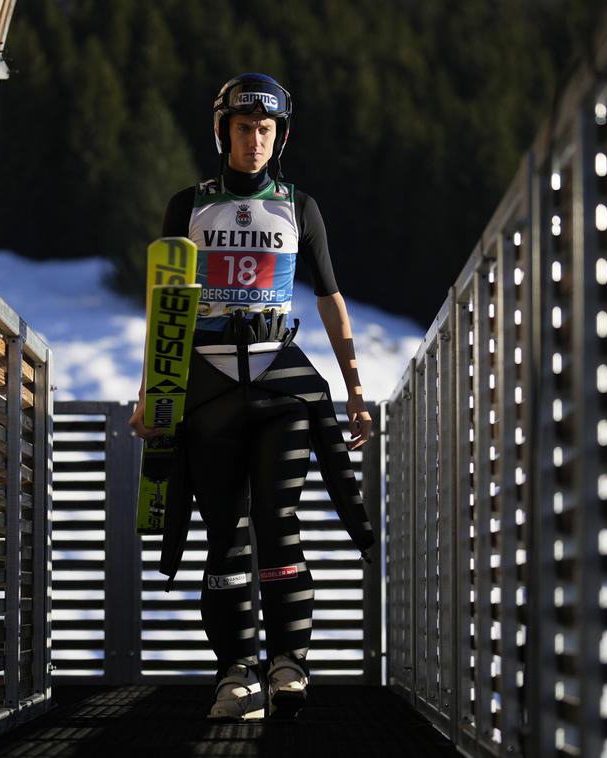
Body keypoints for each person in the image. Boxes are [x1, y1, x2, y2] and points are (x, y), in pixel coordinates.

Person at [128, 73, 375, 721]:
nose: (254, 141)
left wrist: (354, 390)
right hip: (207, 381)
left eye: (265, 130)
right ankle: (235, 671)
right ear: (222, 132)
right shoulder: (188, 204)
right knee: (224, 533)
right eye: (243, 128)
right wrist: (150, 395)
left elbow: (330, 298)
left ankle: (288, 662)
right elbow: (166, 304)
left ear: (280, 136)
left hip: (277, 376)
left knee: (277, 516)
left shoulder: (301, 206)